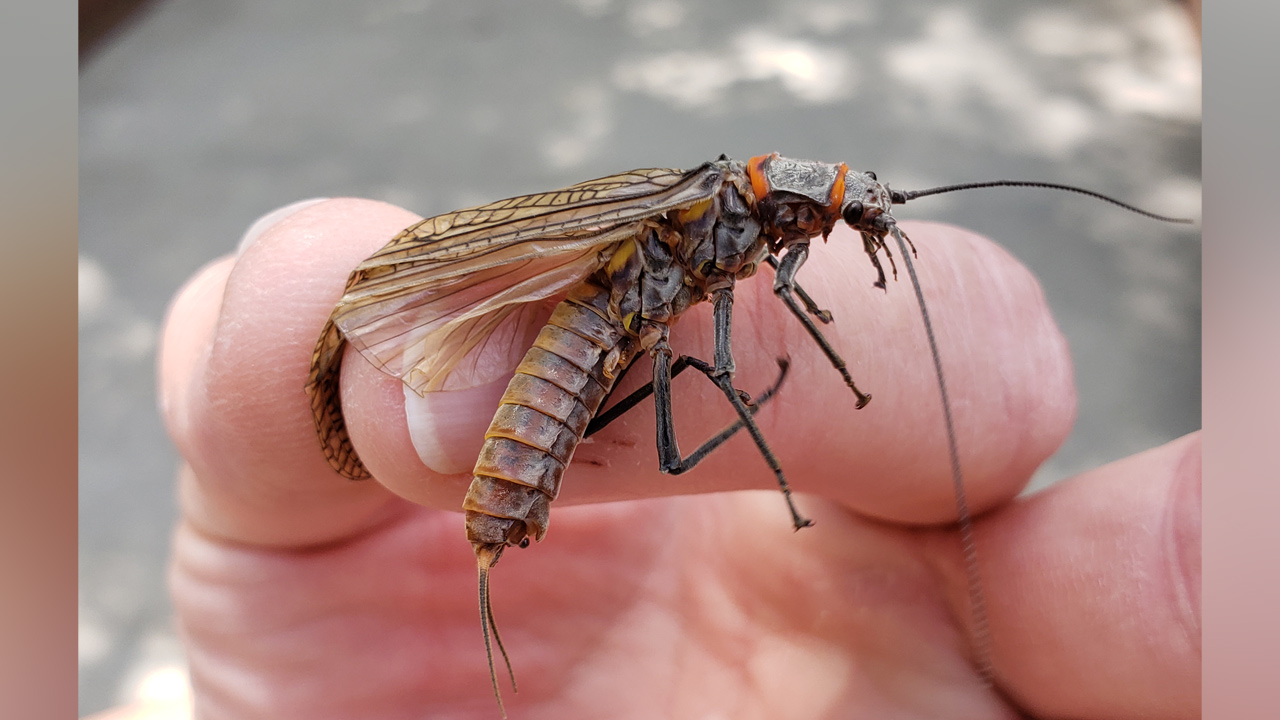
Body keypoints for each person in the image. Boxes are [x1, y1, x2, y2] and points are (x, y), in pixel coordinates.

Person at [110, 198, 1200, 718]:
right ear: (800, 211)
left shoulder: (757, 238)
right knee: (715, 379)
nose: (856, 227)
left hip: (586, 363)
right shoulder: (725, 221)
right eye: (848, 215)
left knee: (715, 379)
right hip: (577, 353)